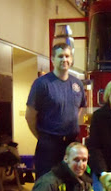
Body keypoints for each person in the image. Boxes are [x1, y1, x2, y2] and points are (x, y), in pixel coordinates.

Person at [26, 43, 86, 180]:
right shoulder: (41, 84)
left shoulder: (77, 84)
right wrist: (43, 137)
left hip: (71, 144)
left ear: (71, 60)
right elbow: (30, 116)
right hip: (48, 145)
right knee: (46, 184)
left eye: (67, 56)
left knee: (71, 184)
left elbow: (79, 108)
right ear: (53, 59)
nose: (64, 59)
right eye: (60, 56)